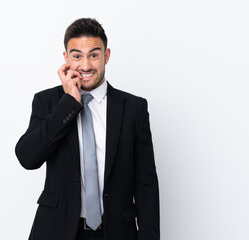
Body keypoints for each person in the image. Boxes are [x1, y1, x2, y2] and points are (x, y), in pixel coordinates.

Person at [15, 18, 160, 240]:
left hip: (116, 233)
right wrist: (69, 104)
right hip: (57, 232)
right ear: (66, 58)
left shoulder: (134, 108)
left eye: (94, 55)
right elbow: (28, 157)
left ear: (106, 55)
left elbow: (146, 185)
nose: (85, 66)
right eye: (77, 56)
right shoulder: (48, 101)